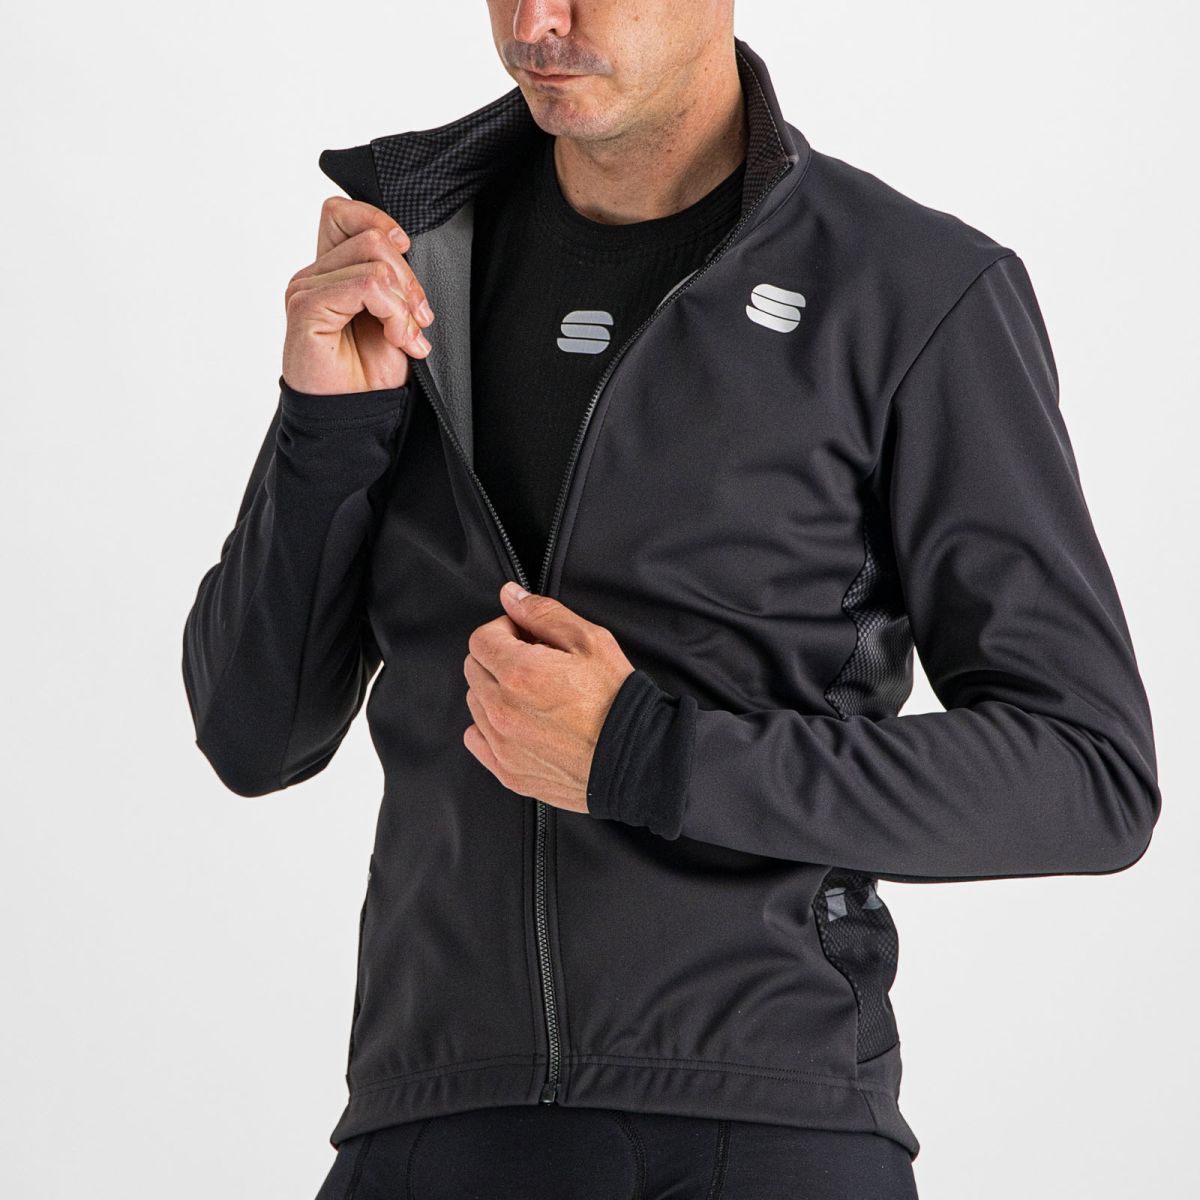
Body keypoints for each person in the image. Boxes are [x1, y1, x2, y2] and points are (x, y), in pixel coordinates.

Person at [181, 2, 1162, 1197]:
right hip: (428, 1124)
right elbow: (253, 734)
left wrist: (649, 757)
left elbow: (1086, 775)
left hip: (764, 1129)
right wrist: (327, 425)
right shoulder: (413, 269)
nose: (538, 21)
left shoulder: (908, 290)